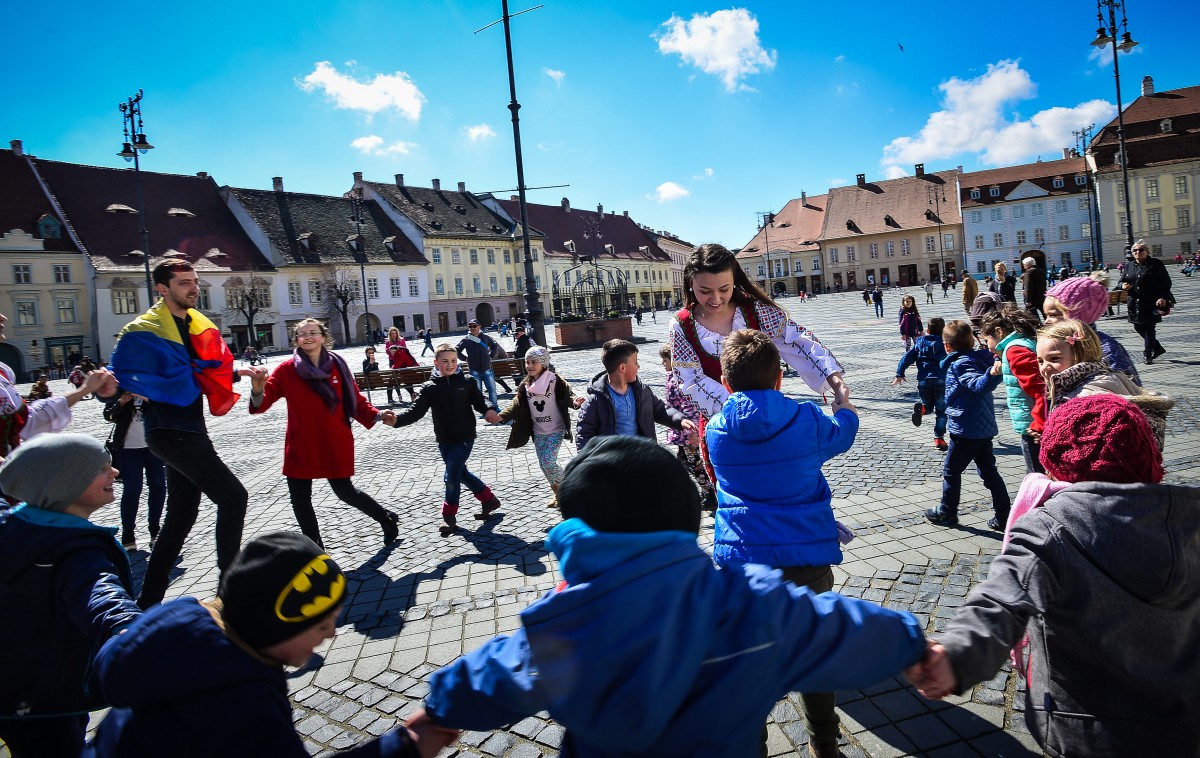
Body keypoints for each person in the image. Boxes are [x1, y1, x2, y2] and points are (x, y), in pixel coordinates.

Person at [410, 436, 927, 757]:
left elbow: (496, 675)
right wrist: (914, 646)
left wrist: (440, 709)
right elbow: (835, 626)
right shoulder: (749, 603)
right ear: (683, 520)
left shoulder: (566, 628)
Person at [907, 394, 1200, 756]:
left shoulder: (1049, 528)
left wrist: (956, 654)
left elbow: (1003, 598)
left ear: (1056, 467)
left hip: (1088, 732)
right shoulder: (1191, 520)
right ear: (1151, 461)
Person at [87, 532, 448, 757]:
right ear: (273, 629)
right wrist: (404, 746)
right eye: (321, 623)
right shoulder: (236, 700)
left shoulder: (182, 641)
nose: (331, 635)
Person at [705, 331, 860, 758]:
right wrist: (842, 400)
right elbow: (844, 433)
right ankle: (824, 743)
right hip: (805, 557)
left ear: (726, 379)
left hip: (743, 564)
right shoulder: (807, 420)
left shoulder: (716, 430)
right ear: (778, 378)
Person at [97, 260, 249, 609]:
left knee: (181, 515)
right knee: (233, 498)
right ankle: (231, 593)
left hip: (189, 428)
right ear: (162, 289)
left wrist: (241, 374)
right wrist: (112, 386)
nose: (193, 288)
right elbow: (118, 375)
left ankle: (147, 602)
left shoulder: (197, 326)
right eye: (184, 283)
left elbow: (201, 373)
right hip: (168, 430)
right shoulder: (144, 329)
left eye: (194, 282)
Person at [0, 434, 141, 758]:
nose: (115, 472)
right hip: (46, 698)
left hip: (18, 689)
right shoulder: (75, 550)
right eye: (101, 468)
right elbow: (100, 595)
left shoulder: (16, 526)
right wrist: (132, 630)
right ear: (65, 485)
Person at [247, 319, 399, 549]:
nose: (308, 337)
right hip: (301, 442)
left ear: (323, 337)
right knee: (299, 499)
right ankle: (316, 548)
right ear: (296, 339)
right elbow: (262, 403)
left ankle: (385, 518)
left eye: (313, 333)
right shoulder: (287, 369)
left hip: (334, 439)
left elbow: (355, 401)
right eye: (302, 334)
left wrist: (377, 414)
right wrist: (258, 387)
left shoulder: (338, 365)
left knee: (344, 491)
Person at [668, 244, 847, 437]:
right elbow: (691, 380)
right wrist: (743, 408)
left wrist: (835, 381)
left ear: (734, 281)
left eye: (724, 289)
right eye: (704, 291)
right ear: (690, 284)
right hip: (724, 426)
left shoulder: (757, 310)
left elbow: (799, 343)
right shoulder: (682, 324)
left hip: (769, 418)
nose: (716, 298)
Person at [385, 344, 501, 537]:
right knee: (460, 472)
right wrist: (396, 420)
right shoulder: (430, 388)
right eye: (445, 361)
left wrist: (489, 410)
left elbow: (481, 401)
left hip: (465, 437)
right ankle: (489, 499)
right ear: (436, 363)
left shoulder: (468, 381)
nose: (450, 365)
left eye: (454, 361)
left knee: (451, 476)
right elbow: (416, 412)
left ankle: (448, 516)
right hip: (444, 439)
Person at [924, 320, 1011, 530]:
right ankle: (1004, 515)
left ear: (947, 346)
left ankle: (947, 512)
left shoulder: (961, 363)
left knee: (951, 471)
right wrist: (991, 372)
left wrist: (991, 375)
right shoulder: (976, 358)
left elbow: (977, 384)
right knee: (989, 472)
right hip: (982, 427)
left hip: (965, 429)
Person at [1036, 319, 1172, 448]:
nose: (1044, 367)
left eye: (1054, 358)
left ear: (1080, 354)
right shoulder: (1107, 376)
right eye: (1040, 361)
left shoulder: (1085, 398)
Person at [494, 346, 583, 508]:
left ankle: (570, 489)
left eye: (534, 362)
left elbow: (569, 395)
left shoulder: (554, 380)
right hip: (538, 432)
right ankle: (558, 493)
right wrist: (501, 416)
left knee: (548, 462)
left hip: (555, 429)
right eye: (527, 362)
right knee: (543, 465)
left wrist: (576, 401)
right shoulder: (525, 385)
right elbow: (515, 404)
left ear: (544, 363)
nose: (529, 366)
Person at [575, 339, 694, 451]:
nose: (638, 366)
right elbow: (584, 435)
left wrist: (680, 420)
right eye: (636, 362)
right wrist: (591, 464)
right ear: (622, 367)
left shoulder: (642, 391)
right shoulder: (595, 400)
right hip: (613, 464)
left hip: (643, 458)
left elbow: (660, 409)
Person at [978, 304, 1046, 474]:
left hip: (1033, 426)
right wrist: (998, 357)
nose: (987, 347)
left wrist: (1039, 424)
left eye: (986, 341)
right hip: (1033, 422)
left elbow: (1040, 390)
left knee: (1036, 475)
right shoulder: (1020, 342)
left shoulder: (1015, 350)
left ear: (999, 332)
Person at [1042, 273, 1141, 385]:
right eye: (1046, 315)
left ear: (1078, 314)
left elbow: (1129, 387)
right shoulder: (1054, 343)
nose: (1046, 321)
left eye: (1054, 315)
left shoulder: (1104, 349)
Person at [103, 393, 167, 551]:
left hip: (154, 446)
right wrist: (121, 402)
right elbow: (108, 415)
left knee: (158, 485)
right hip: (128, 449)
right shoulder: (120, 388)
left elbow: (167, 409)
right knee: (132, 490)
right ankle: (128, 534)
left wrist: (149, 398)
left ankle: (155, 530)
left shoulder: (150, 385)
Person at [659, 344, 716, 512]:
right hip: (682, 428)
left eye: (665, 360)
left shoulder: (676, 379)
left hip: (687, 430)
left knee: (695, 463)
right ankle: (703, 493)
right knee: (683, 461)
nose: (663, 363)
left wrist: (692, 432)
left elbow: (688, 406)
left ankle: (710, 494)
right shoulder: (677, 376)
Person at [892, 317, 949, 451]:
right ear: (944, 331)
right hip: (941, 380)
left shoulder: (920, 342)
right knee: (941, 411)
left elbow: (907, 358)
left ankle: (923, 409)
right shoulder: (945, 343)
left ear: (927, 330)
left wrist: (899, 373)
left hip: (924, 380)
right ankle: (939, 438)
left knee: (928, 406)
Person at [1120, 239, 1173, 363]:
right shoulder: (1128, 266)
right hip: (1134, 303)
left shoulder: (1155, 264)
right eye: (1135, 250)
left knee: (1149, 327)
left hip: (1151, 302)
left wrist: (1162, 297)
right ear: (1132, 253)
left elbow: (1165, 282)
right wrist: (1123, 286)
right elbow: (1121, 281)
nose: (1138, 252)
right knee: (1138, 327)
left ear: (1147, 252)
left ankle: (1147, 354)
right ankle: (1157, 347)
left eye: (1141, 250)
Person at [456, 320, 502, 410]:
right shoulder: (466, 339)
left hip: (487, 369)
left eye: (474, 326)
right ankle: (483, 410)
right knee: (478, 392)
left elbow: (494, 345)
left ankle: (495, 408)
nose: (472, 328)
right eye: (470, 326)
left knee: (492, 390)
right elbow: (456, 350)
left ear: (479, 326)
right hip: (474, 370)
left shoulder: (485, 337)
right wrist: (465, 358)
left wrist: (491, 356)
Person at [384, 327, 418, 404]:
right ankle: (391, 397)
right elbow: (387, 351)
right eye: (392, 333)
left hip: (402, 362)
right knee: (392, 379)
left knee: (405, 378)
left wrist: (397, 350)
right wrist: (392, 351)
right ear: (390, 334)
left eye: (395, 333)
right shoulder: (387, 341)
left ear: (397, 333)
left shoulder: (401, 340)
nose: (394, 335)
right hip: (393, 361)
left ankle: (412, 394)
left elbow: (405, 349)